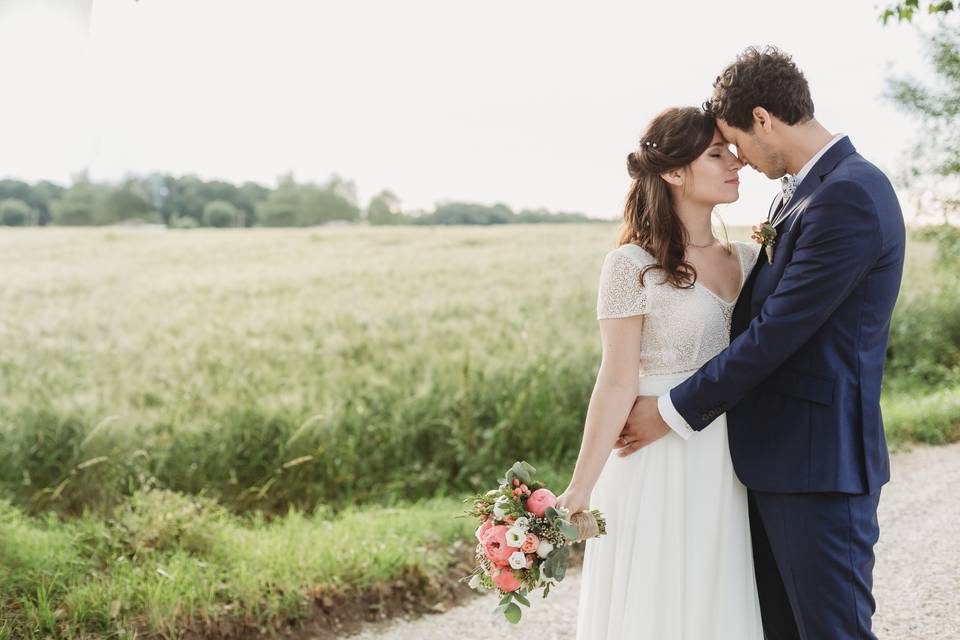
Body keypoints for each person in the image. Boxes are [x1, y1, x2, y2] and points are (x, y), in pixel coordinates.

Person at [614, 46, 906, 640]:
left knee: (833, 631)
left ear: (763, 118)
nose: (738, 160)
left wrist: (670, 411)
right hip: (775, 459)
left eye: (734, 140)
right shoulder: (802, 193)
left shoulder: (847, 194)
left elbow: (775, 335)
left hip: (818, 463)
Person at [555, 104, 764, 639]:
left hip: (726, 456)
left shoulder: (749, 258)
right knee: (654, 602)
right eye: (716, 154)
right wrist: (580, 487)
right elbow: (617, 379)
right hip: (653, 458)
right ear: (673, 172)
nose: (735, 163)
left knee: (718, 595)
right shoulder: (630, 265)